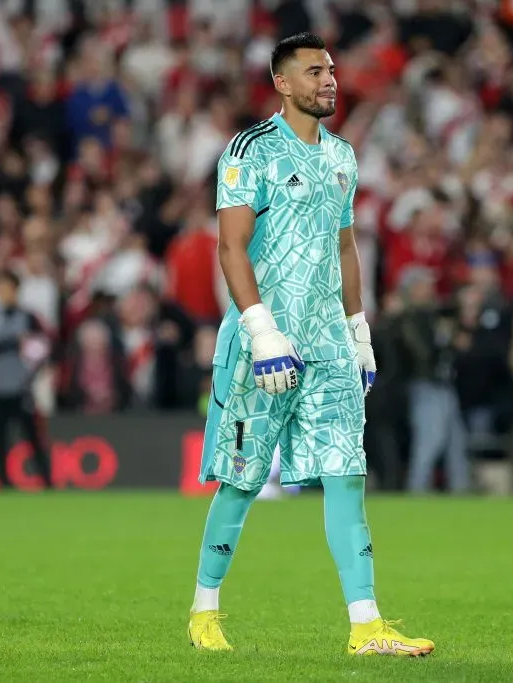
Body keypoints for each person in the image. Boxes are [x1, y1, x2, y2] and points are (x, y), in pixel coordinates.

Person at [187, 33, 434, 656]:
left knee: (347, 474)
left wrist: (358, 330)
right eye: (314, 71)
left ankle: (366, 625)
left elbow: (346, 247)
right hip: (262, 343)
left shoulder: (343, 156)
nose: (329, 80)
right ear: (282, 83)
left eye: (330, 70)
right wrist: (261, 330)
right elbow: (230, 246)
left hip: (328, 344)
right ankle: (204, 610)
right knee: (242, 481)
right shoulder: (249, 151)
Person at [0, 270, 53, 490]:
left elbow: (44, 346)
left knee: (33, 437)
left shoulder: (29, 317)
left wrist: (32, 369)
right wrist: (15, 341)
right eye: (0, 288)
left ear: (16, 290)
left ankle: (46, 480)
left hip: (22, 386)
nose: (3, 293)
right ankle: (2, 481)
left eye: (7, 288)